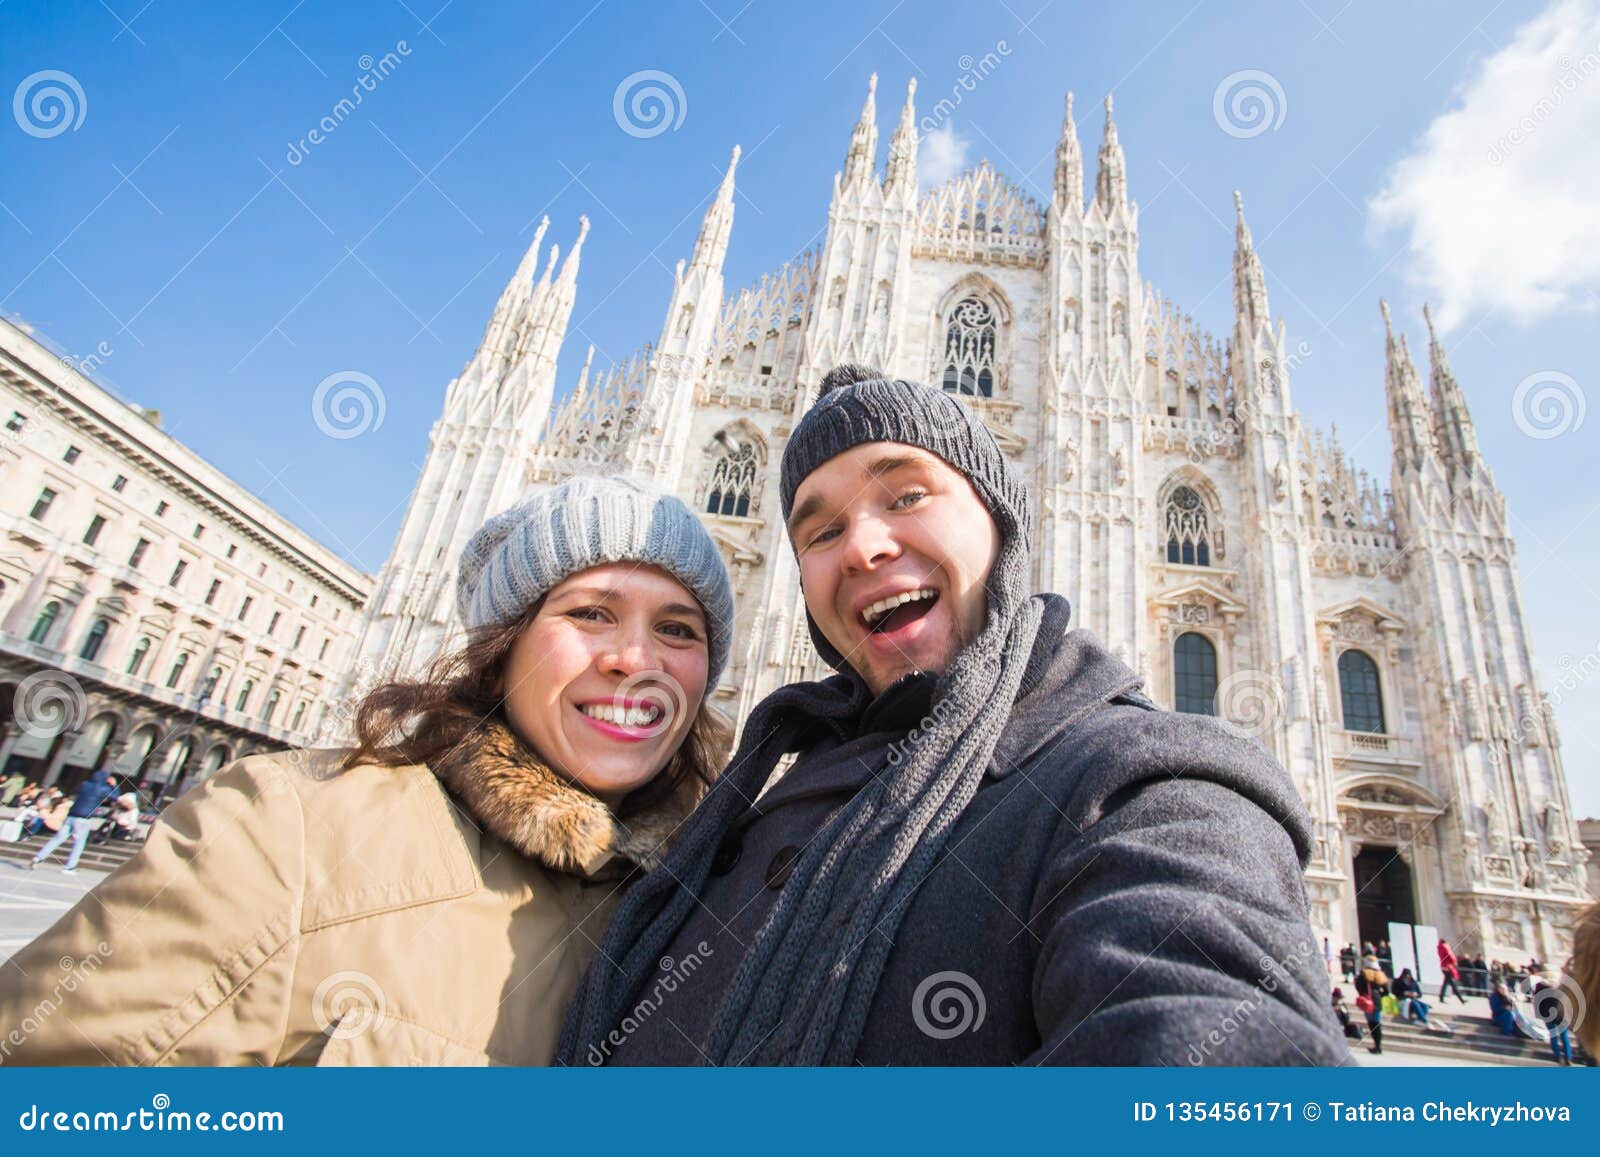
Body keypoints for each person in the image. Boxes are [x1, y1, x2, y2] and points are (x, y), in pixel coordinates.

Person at [559, 365, 1349, 1067]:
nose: (863, 545)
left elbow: (1207, 1018)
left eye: (906, 494)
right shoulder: (759, 785)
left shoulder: (1143, 782)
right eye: (822, 529)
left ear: (1002, 523)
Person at [0, 476, 734, 1065]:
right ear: (501, 646)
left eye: (677, 628)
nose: (634, 660)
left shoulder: (697, 901)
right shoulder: (290, 834)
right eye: (589, 613)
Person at [28, 767, 118, 873]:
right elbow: (115, 797)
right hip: (84, 818)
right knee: (79, 843)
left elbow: (75, 791)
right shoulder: (104, 788)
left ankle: (38, 857)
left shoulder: (85, 784)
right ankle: (69, 867)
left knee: (57, 839)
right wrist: (114, 785)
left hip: (71, 815)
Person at [1530, 967, 1574, 1065]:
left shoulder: (1539, 986)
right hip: (1561, 1015)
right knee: (1564, 1037)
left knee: (1553, 1036)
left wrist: (1539, 1014)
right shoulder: (1561, 986)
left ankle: (1558, 1057)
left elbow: (1537, 1001)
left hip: (1547, 1015)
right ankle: (1568, 1058)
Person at [1354, 953, 1390, 1054]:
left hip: (1367, 1001)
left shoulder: (1364, 974)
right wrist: (1378, 995)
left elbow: (1359, 986)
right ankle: (1378, 1046)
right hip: (1377, 1001)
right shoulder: (1381, 975)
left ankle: (1376, 1045)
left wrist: (1364, 994)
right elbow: (1387, 991)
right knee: (1377, 1024)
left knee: (1371, 1023)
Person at [1437, 937, 1467, 1003]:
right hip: (1448, 967)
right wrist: (1454, 962)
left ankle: (1441, 998)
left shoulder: (1439, 948)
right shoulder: (1445, 947)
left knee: (1446, 983)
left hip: (1443, 966)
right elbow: (1450, 955)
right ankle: (1461, 999)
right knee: (1453, 984)